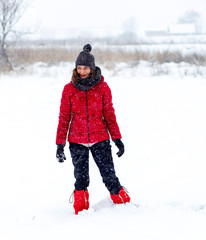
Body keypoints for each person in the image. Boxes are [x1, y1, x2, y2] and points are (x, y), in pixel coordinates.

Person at [55, 44, 130, 215]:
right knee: (81, 180)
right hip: (76, 142)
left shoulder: (103, 88)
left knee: (110, 178)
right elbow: (64, 118)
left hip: (100, 140)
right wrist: (60, 145)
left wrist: (117, 139)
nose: (82, 71)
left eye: (86, 67)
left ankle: (126, 210)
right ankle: (81, 215)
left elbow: (110, 115)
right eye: (79, 68)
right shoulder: (69, 89)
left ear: (92, 68)